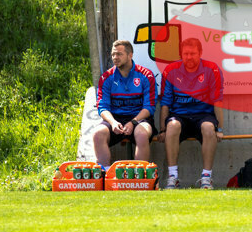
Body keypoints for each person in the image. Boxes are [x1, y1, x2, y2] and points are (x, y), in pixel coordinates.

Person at [157, 38, 224, 189]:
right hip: (179, 116)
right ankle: (173, 177)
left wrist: (219, 129)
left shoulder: (212, 69)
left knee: (208, 127)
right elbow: (165, 103)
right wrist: (162, 129)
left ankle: (206, 177)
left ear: (200, 53)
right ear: (181, 54)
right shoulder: (171, 70)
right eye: (185, 54)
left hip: (203, 115)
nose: (189, 57)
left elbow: (217, 101)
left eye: (193, 53)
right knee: (172, 126)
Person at [92, 40, 156, 170]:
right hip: (115, 120)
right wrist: (113, 122)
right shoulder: (106, 77)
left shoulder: (146, 75)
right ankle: (105, 175)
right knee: (98, 134)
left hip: (139, 119)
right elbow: (102, 107)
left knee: (142, 134)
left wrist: (133, 122)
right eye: (113, 54)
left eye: (119, 54)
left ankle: (139, 177)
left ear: (130, 55)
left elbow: (149, 107)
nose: (115, 58)